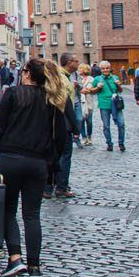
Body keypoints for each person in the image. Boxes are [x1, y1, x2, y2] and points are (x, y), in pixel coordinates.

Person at [0, 59, 73, 277]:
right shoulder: (51, 99)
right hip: (37, 164)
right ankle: (34, 267)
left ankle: (15, 259)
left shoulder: (14, 94)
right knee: (32, 215)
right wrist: (51, 162)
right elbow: (61, 136)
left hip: (10, 159)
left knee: (8, 211)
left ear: (26, 74)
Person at [44, 53, 79, 199]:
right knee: (64, 155)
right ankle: (61, 186)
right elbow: (67, 104)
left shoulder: (59, 78)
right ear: (69, 63)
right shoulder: (62, 79)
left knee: (51, 155)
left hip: (51, 122)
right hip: (62, 123)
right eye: (76, 61)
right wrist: (75, 127)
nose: (78, 63)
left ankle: (47, 187)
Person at [92, 60, 126, 152]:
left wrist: (118, 85)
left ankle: (121, 143)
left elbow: (120, 90)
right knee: (106, 126)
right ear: (100, 69)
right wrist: (97, 87)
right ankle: (109, 143)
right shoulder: (97, 79)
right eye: (103, 68)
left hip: (115, 104)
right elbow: (92, 91)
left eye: (107, 68)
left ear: (110, 69)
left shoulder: (115, 77)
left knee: (121, 124)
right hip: (104, 104)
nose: (105, 70)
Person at [76, 64, 96, 146]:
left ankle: (89, 136)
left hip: (89, 102)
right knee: (81, 121)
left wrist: (88, 90)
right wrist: (82, 90)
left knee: (89, 121)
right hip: (80, 102)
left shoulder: (91, 79)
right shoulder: (77, 79)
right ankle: (84, 137)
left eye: (80, 68)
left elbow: (94, 90)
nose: (79, 70)